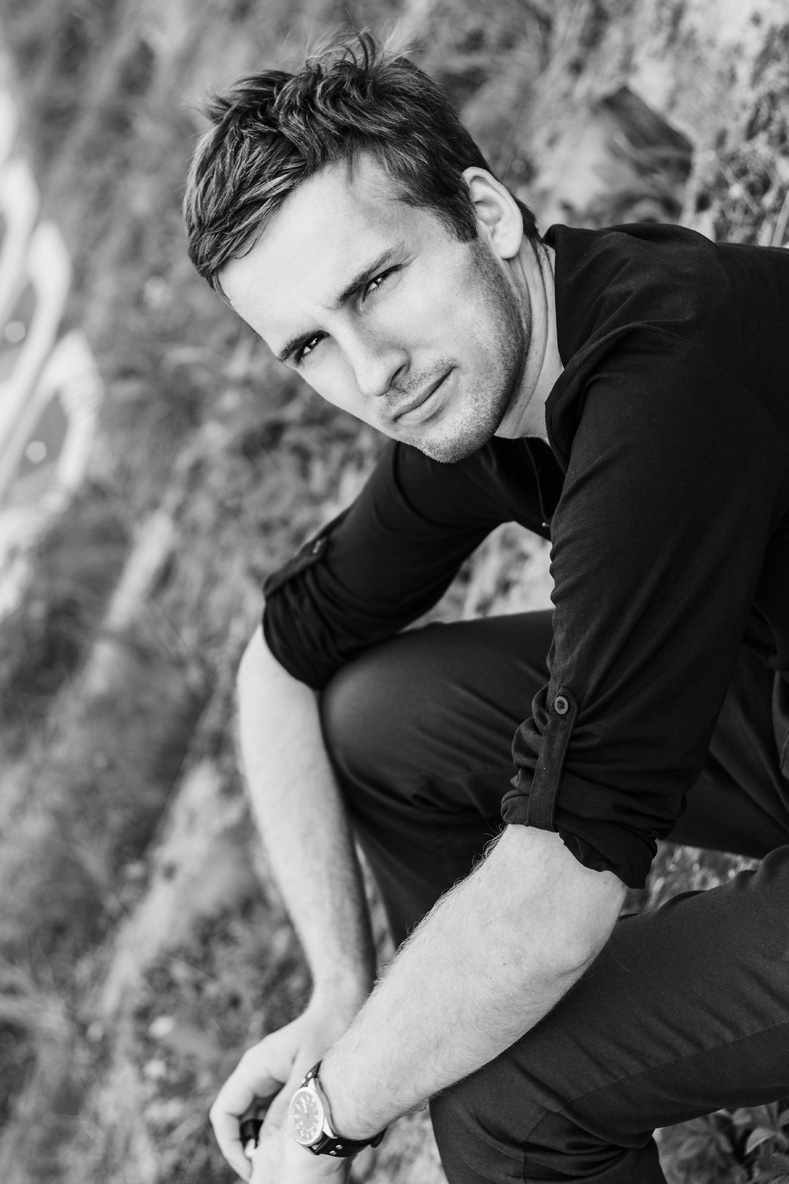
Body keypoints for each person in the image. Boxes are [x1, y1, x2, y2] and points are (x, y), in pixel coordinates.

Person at [182, 30, 789, 1184]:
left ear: (488, 214)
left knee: (510, 1093)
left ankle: (523, 1069)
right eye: (311, 343)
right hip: (772, 702)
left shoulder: (661, 378)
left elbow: (561, 892)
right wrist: (342, 994)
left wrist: (325, 1112)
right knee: (380, 717)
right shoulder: (490, 374)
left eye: (375, 283)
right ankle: (489, 1020)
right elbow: (281, 660)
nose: (372, 370)